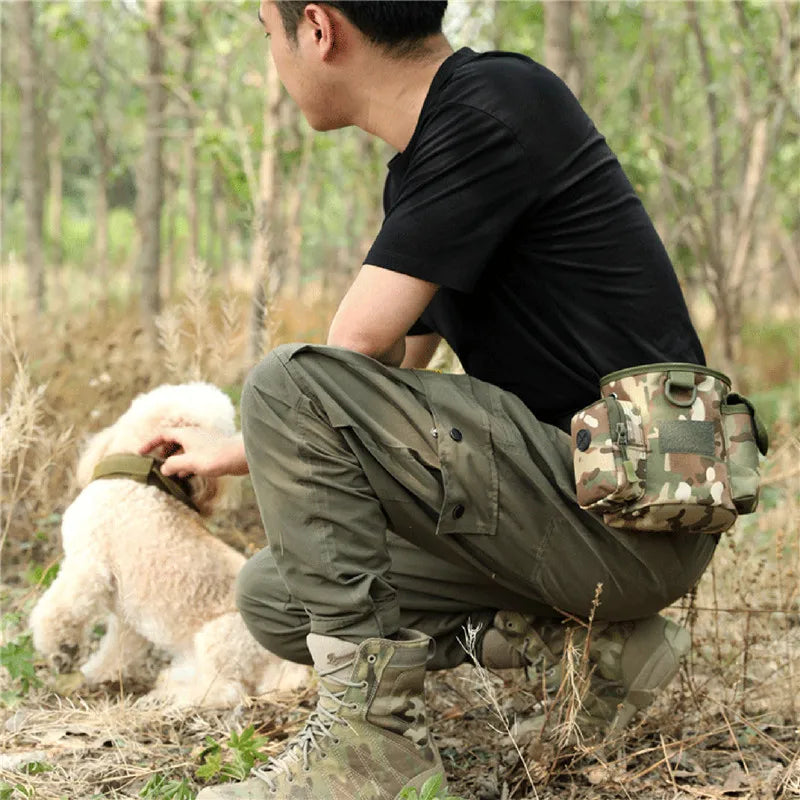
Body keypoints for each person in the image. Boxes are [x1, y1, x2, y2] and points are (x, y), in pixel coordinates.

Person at [143, 2, 715, 797]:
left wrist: (256, 435)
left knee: (288, 378)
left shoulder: (496, 104)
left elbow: (349, 356)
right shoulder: (432, 158)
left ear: (318, 28)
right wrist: (233, 453)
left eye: (268, 35)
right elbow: (388, 375)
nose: (273, 60)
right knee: (278, 599)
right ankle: (593, 650)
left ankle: (369, 752)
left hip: (634, 508)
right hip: (566, 513)